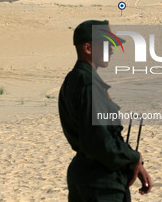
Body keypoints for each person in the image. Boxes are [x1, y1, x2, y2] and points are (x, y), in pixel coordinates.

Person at [58, 20, 152, 202]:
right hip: (101, 182)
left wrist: (134, 164)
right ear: (88, 48)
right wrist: (134, 157)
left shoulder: (73, 80)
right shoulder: (89, 84)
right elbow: (99, 139)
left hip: (86, 175)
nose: (111, 50)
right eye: (107, 44)